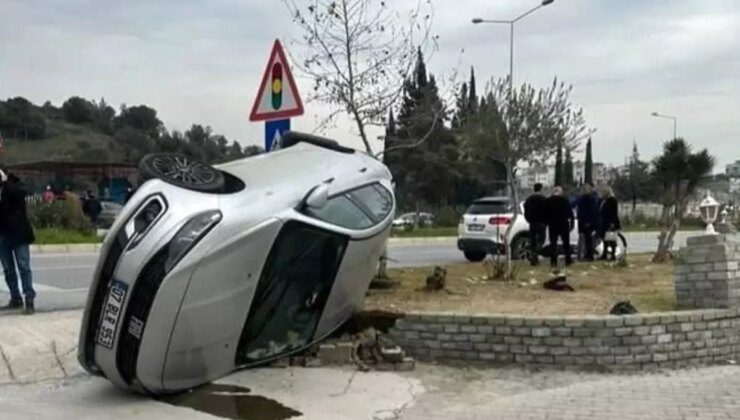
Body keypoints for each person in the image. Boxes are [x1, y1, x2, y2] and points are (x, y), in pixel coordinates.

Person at [0, 170, 36, 314]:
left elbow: (21, 199)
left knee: (23, 266)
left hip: (18, 234)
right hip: (2, 235)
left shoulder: (12, 189)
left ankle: (29, 299)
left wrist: (6, 182)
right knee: (8, 269)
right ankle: (16, 298)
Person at [546, 186, 574, 268]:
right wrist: (572, 224)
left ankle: (553, 261)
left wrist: (547, 222)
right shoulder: (564, 201)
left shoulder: (549, 201)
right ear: (560, 192)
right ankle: (568, 260)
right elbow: (570, 213)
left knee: (553, 244)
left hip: (553, 225)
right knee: (566, 243)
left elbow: (545, 213)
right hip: (563, 224)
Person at [524, 183, 547, 266]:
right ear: (541, 189)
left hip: (532, 223)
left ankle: (534, 257)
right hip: (541, 223)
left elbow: (526, 211)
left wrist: (528, 219)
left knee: (533, 241)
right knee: (541, 240)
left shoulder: (529, 199)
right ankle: (535, 254)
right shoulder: (544, 199)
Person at [576, 183, 600, 261]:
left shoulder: (590, 199)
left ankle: (590, 255)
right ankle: (587, 254)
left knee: (589, 239)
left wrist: (589, 222)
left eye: (586, 189)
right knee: (587, 239)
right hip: (583, 221)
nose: (584, 190)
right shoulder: (583, 198)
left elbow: (591, 211)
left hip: (587, 222)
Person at [599, 187, 621, 261]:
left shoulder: (612, 201)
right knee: (605, 239)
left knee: (611, 240)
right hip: (604, 222)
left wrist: (612, 223)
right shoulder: (605, 201)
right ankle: (604, 254)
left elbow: (613, 213)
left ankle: (613, 255)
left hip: (610, 223)